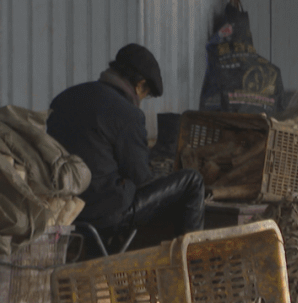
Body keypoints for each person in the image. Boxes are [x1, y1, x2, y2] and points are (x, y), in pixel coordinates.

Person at [47, 44, 204, 252]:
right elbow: (141, 177)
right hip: (104, 214)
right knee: (192, 180)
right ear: (140, 86)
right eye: (145, 94)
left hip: (64, 209)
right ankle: (193, 259)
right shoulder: (127, 114)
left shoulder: (64, 98)